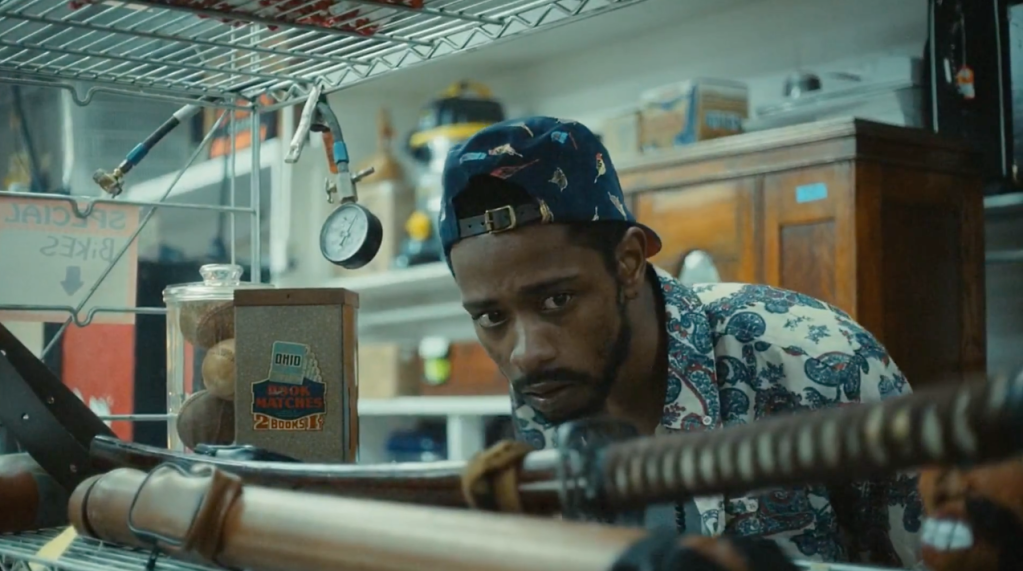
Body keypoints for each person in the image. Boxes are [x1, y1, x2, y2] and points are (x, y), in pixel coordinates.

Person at [437, 116, 922, 566]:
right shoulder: (548, 386)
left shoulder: (814, 360)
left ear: (627, 262)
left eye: (557, 300)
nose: (525, 352)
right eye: (492, 317)